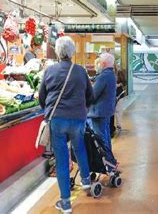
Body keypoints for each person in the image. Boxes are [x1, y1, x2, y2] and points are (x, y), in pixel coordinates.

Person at [38, 36, 94, 214]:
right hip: (78, 118)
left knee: (62, 159)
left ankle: (65, 203)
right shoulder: (80, 71)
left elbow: (42, 96)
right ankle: (86, 181)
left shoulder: (50, 71)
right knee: (79, 149)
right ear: (72, 52)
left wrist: (49, 110)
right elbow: (90, 96)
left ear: (57, 52)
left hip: (57, 120)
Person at [88, 53, 118, 171]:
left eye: (100, 62)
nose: (99, 65)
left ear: (104, 63)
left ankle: (109, 163)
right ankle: (111, 161)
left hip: (98, 113)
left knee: (101, 139)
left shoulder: (103, 77)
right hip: (106, 111)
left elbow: (93, 95)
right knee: (106, 137)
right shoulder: (111, 75)